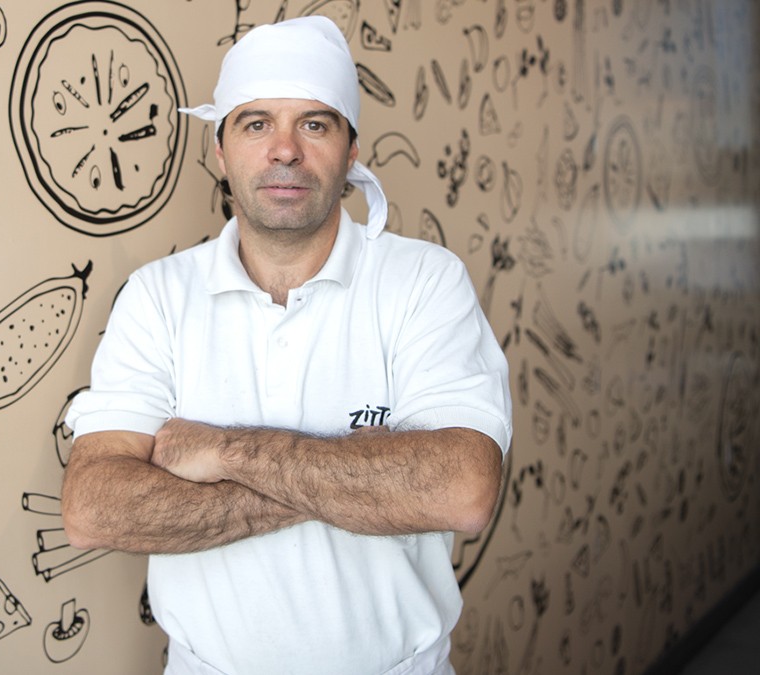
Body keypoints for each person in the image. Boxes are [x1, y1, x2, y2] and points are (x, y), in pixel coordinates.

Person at [61, 16, 512, 675]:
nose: (284, 150)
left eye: (315, 124)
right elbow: (93, 508)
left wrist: (226, 452)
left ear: (350, 151)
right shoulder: (157, 296)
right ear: (221, 151)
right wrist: (364, 481)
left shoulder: (424, 281)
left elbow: (463, 489)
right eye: (256, 124)